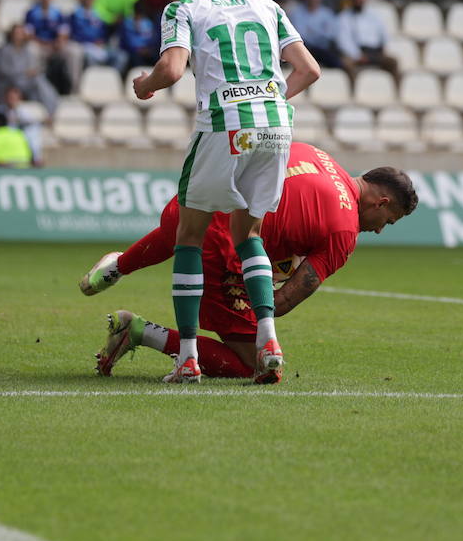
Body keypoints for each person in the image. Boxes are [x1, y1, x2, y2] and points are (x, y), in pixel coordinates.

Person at [128, 0, 321, 384]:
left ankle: (188, 358)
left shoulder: (183, 7)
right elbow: (309, 69)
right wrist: (273, 100)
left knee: (190, 237)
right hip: (275, 125)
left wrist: (145, 86)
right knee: (248, 231)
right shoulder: (267, 5)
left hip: (223, 124)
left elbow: (173, 69)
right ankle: (268, 341)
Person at [84, 143, 417, 379]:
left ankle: (118, 265)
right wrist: (259, 279)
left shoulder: (317, 153)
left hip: (199, 197)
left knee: (181, 233)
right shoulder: (344, 231)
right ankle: (138, 331)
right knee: (256, 365)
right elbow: (281, 302)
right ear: (381, 202)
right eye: (388, 221)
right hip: (223, 248)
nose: (378, 231)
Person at [0, 23, 60, 114]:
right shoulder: (2, 51)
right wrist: (24, 73)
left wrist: (32, 72)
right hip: (6, 84)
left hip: (24, 83)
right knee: (34, 82)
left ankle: (51, 109)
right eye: (16, 33)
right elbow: (3, 71)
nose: (18, 36)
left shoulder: (27, 50)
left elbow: (34, 68)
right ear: (11, 34)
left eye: (20, 33)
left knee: (40, 80)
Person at [25, 0, 82, 91]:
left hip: (55, 45)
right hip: (40, 45)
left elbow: (64, 32)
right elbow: (29, 34)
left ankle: (74, 87)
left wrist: (58, 42)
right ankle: (32, 86)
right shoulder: (31, 12)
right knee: (31, 49)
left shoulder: (58, 12)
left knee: (75, 51)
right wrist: (44, 43)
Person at [337, 0, 400, 79]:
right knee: (346, 64)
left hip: (375, 52)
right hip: (358, 53)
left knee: (393, 62)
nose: (359, 0)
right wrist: (358, 55)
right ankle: (354, 90)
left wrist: (383, 50)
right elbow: (344, 41)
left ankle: (396, 90)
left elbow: (384, 35)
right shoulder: (344, 17)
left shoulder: (374, 15)